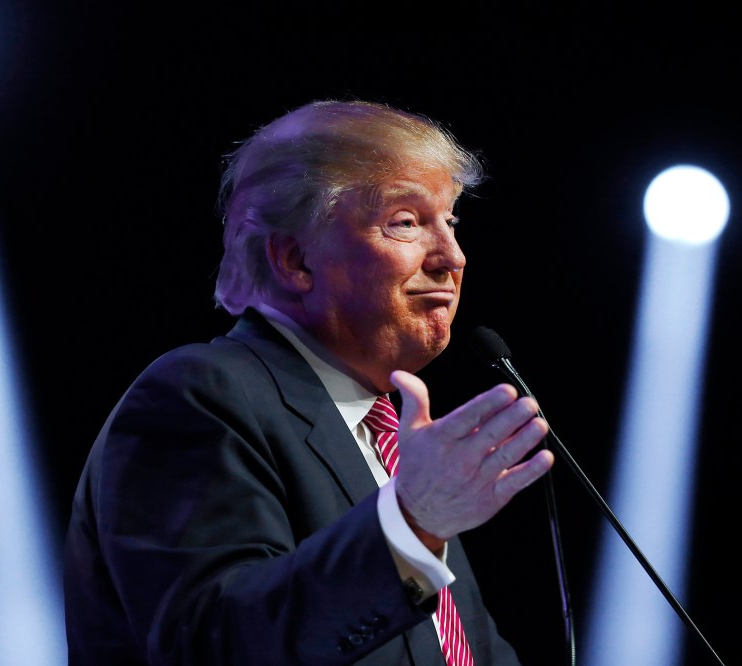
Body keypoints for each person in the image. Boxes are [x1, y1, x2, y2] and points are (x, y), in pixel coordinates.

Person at [62, 99, 556, 665]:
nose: (452, 256)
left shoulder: (395, 444)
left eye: (450, 222)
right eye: (406, 222)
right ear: (296, 260)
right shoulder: (201, 394)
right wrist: (411, 523)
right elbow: (213, 646)